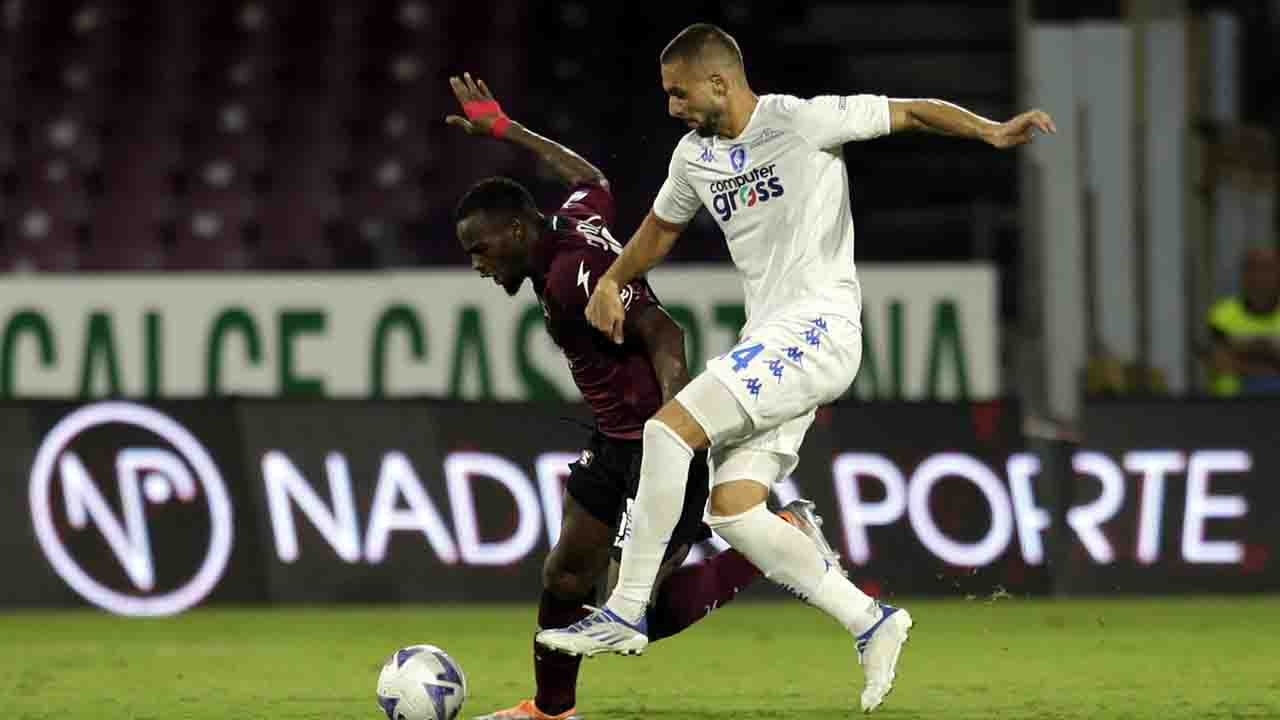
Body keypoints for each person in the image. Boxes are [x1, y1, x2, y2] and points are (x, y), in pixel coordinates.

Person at [534, 24, 1057, 713]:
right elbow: (661, 228)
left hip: (818, 331)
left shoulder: (802, 120)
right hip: (772, 341)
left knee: (668, 432)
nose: (671, 107)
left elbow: (910, 110)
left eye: (678, 92)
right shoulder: (694, 157)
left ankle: (628, 608)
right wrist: (612, 281)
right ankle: (871, 621)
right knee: (736, 510)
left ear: (719, 81)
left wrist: (990, 132)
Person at [445, 72, 843, 720]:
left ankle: (778, 542)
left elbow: (665, 331)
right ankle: (552, 712)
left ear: (516, 231)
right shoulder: (571, 223)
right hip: (613, 440)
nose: (478, 265)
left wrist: (674, 427)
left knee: (638, 617)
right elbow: (590, 175)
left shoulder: (574, 276)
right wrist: (504, 129)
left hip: (658, 442)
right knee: (564, 578)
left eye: (479, 249)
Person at [1208, 245, 1280, 395]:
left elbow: (1231, 362)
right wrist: (1270, 353)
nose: (1259, 276)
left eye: (1267, 268)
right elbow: (1221, 364)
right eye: (1252, 268)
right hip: (1230, 407)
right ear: (1243, 275)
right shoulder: (1222, 315)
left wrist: (1242, 350)